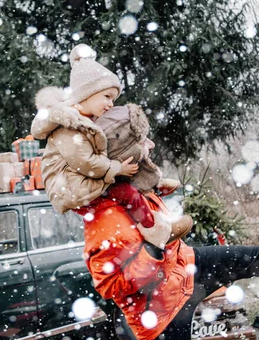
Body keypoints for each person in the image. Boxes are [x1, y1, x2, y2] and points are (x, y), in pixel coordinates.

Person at [77, 104, 259, 340]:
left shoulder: (134, 188)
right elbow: (110, 286)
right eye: (143, 141)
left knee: (257, 256)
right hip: (160, 315)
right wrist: (154, 249)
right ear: (126, 153)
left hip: (184, 269)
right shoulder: (105, 216)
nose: (150, 144)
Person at [31, 44, 190, 239]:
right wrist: (116, 169)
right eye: (107, 97)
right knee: (126, 192)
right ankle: (155, 231)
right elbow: (86, 162)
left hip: (82, 178)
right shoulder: (68, 125)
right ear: (85, 94)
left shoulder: (88, 119)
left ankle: (152, 183)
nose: (110, 104)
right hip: (71, 187)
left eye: (113, 99)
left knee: (125, 171)